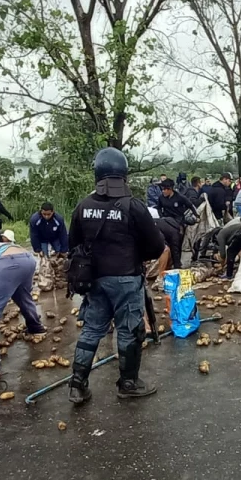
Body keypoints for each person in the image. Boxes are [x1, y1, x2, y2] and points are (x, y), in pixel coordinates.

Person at [67, 147, 166, 404]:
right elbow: (157, 247)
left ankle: (77, 386)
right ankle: (128, 383)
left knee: (91, 330)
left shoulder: (83, 206)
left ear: (97, 174)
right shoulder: (134, 206)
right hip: (126, 278)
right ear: (123, 174)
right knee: (129, 332)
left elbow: (73, 244)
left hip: (94, 280)